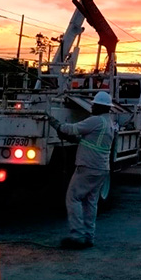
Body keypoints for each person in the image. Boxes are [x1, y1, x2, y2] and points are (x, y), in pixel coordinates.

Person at [48, 91, 116, 249]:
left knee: (73, 198)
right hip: (100, 168)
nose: (91, 107)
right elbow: (91, 140)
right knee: (90, 202)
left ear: (100, 106)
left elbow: (72, 129)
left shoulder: (95, 120)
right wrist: (76, 139)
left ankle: (77, 236)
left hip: (88, 166)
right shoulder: (108, 123)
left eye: (94, 105)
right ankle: (88, 236)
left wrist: (57, 125)